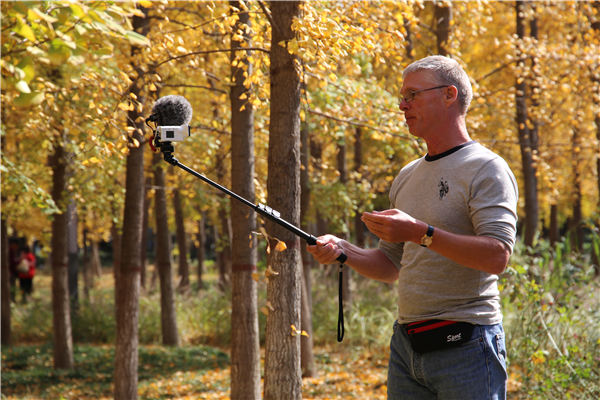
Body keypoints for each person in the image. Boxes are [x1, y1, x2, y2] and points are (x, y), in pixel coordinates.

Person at [307, 55, 518, 400]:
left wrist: (420, 232)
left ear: (449, 95)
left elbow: (496, 256)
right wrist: (345, 251)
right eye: (402, 96)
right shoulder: (406, 176)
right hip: (406, 347)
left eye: (412, 95)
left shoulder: (487, 168)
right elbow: (392, 266)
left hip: (466, 343)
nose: (401, 104)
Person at [8, 238, 20, 303]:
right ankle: (11, 300)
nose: (17, 248)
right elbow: (11, 262)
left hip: (10, 272)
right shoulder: (10, 250)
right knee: (11, 286)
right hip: (10, 272)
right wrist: (19, 261)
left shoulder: (9, 250)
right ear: (14, 244)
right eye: (17, 246)